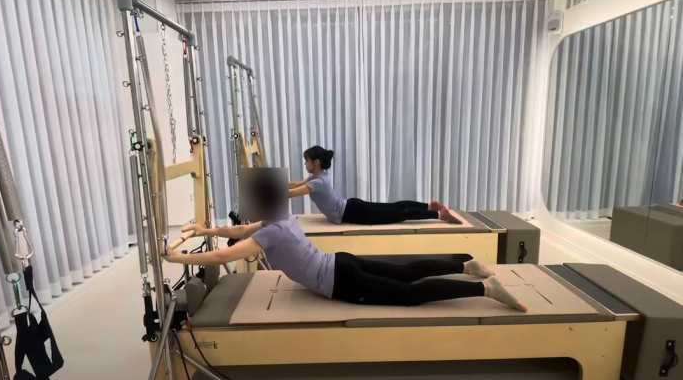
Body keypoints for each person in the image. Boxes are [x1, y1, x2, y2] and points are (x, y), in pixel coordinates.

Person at [164, 171, 527, 312]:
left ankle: (485, 289)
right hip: (341, 261)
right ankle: (466, 265)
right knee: (406, 271)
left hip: (341, 281)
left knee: (410, 295)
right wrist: (206, 231)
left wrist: (177, 258)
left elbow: (225, 255)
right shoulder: (279, 219)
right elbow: (236, 233)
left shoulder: (268, 232)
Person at [288, 146, 462, 225]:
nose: (305, 164)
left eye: (306, 161)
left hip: (353, 212)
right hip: (352, 206)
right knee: (395, 207)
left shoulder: (317, 183)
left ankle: (439, 214)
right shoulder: (317, 177)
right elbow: (294, 184)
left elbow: (290, 193)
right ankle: (429, 206)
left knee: (399, 214)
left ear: (316, 162)